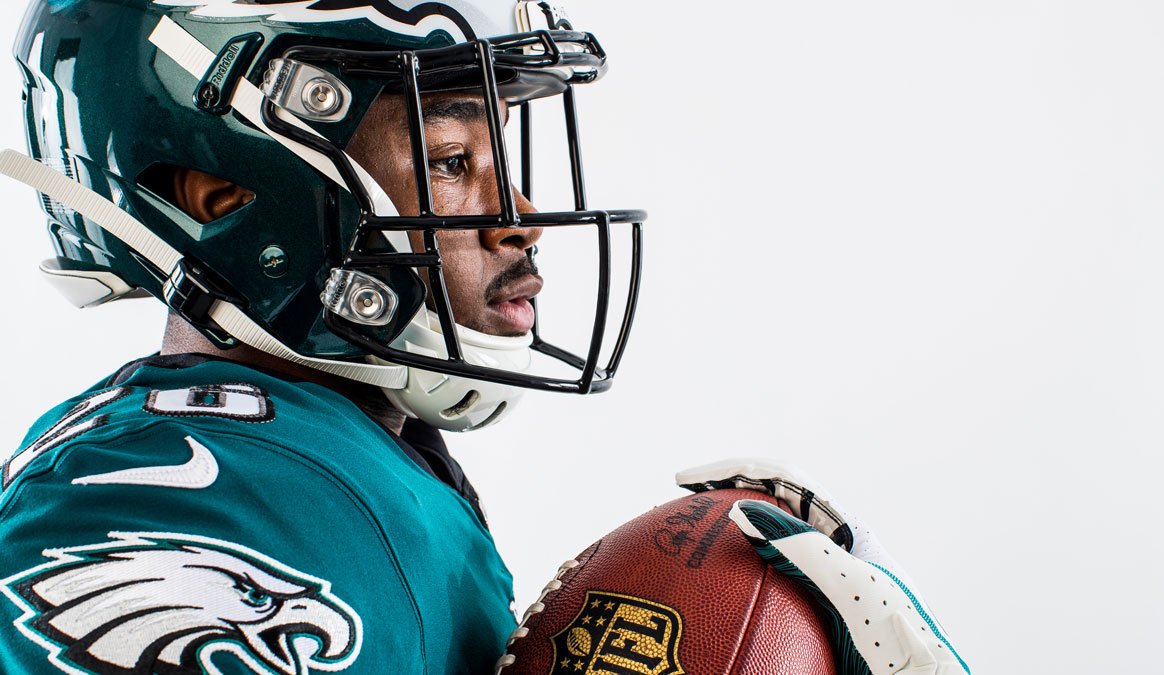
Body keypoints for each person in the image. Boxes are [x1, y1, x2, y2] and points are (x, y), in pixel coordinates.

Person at [0, 1, 967, 674]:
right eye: (454, 158)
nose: (524, 216)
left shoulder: (302, 453)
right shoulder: (173, 502)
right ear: (229, 197)